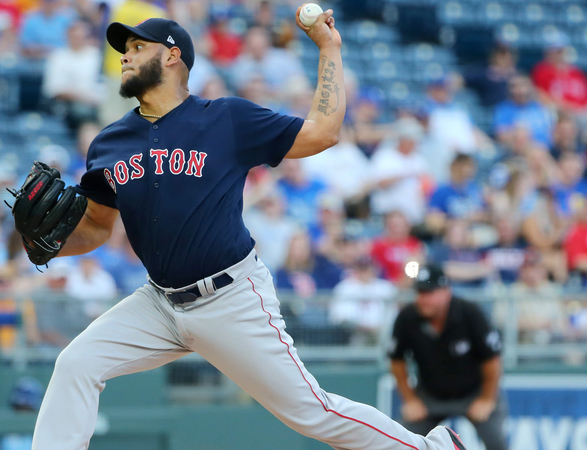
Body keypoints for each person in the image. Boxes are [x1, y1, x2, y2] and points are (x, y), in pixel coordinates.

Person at [28, 12, 466, 450]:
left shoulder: (226, 119)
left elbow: (324, 132)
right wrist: (44, 245)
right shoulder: (110, 142)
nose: (126, 56)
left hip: (229, 298)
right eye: (125, 50)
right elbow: (97, 229)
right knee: (76, 365)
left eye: (138, 47)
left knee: (313, 411)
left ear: (173, 56)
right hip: (158, 303)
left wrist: (329, 49)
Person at [389, 264, 506, 450]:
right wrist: (410, 400)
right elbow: (396, 360)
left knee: (498, 444)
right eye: (420, 292)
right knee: (399, 442)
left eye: (429, 292)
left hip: (474, 392)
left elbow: (492, 359)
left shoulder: (469, 312)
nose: (423, 298)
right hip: (430, 395)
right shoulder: (407, 316)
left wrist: (487, 399)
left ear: (446, 291)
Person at [530, 32, 587, 112]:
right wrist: (569, 109)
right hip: (558, 113)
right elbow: (540, 95)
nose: (559, 54)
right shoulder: (542, 71)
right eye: (556, 51)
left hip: (583, 113)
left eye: (561, 51)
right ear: (547, 52)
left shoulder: (577, 72)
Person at [493, 75, 554, 148]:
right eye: (515, 87)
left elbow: (551, 131)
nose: (521, 90)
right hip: (522, 150)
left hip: (547, 148)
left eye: (524, 86)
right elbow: (502, 135)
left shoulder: (539, 107)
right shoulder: (504, 109)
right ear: (509, 90)